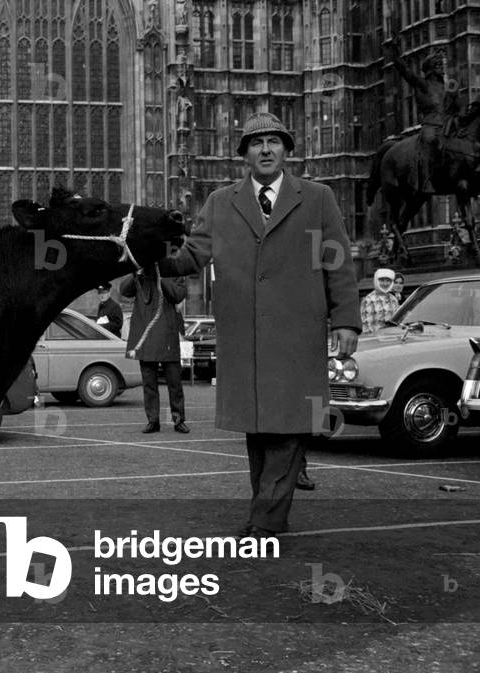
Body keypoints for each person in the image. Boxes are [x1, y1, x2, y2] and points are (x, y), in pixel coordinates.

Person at [159, 112, 360, 538]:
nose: (266, 149)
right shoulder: (220, 202)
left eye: (274, 141)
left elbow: (337, 262)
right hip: (245, 337)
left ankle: (265, 522)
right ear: (244, 155)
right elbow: (191, 256)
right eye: (256, 143)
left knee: (288, 428)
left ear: (287, 150)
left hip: (297, 335)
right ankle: (268, 515)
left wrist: (346, 321)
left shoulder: (318, 197)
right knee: (258, 430)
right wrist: (154, 254)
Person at [383, 39, 458, 193]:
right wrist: (395, 55)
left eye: (442, 65)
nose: (442, 69)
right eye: (438, 65)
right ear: (430, 69)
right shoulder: (422, 84)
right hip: (430, 125)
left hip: (447, 125)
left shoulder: (446, 87)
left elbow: (452, 108)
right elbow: (406, 72)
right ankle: (424, 181)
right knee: (429, 142)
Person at [120, 269, 189, 434]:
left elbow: (178, 294)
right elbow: (124, 290)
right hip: (146, 336)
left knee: (174, 383)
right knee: (149, 385)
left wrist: (161, 276)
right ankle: (153, 420)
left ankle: (178, 419)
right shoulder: (142, 273)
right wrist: (136, 273)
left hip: (167, 337)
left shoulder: (175, 271)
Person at [360, 268, 400, 334]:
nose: (385, 284)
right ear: (376, 281)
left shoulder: (394, 299)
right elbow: (366, 326)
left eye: (388, 281)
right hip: (376, 341)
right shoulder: (368, 300)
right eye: (382, 280)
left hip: (392, 338)